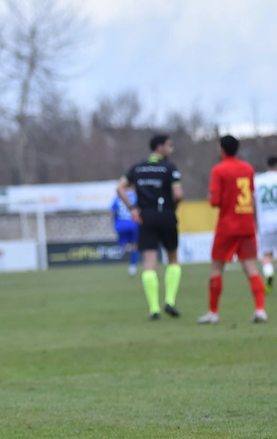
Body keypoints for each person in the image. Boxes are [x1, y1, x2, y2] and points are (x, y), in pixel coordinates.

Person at [198, 136, 268, 324]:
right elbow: (251, 196)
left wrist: (210, 197)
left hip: (227, 226)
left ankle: (213, 313)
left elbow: (215, 202)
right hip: (246, 225)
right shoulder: (248, 168)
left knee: (216, 268)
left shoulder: (219, 170)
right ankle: (260, 310)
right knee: (251, 267)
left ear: (221, 149)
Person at [116, 135, 183, 320]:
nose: (172, 150)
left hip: (146, 217)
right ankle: (169, 301)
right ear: (160, 147)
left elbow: (120, 187)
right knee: (173, 259)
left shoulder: (138, 167)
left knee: (149, 263)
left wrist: (132, 209)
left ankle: (154, 309)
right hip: (166, 214)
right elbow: (178, 194)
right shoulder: (170, 167)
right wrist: (173, 209)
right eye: (169, 146)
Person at [254, 156, 277, 294]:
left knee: (267, 254)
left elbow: (251, 202)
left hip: (265, 223)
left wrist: (254, 221)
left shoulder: (258, 180)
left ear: (266, 165)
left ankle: (268, 273)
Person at [111, 188, 139, 276]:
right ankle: (133, 268)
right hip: (133, 224)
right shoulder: (135, 196)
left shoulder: (118, 197)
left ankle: (126, 248)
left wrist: (113, 223)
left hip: (121, 225)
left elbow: (112, 212)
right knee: (135, 246)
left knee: (123, 244)